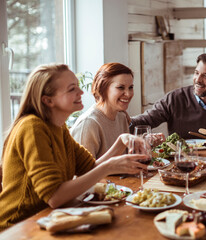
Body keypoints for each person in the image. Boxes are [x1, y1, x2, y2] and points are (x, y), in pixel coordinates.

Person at [0, 64, 148, 231]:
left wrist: (121, 142)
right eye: (72, 89)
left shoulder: (58, 126)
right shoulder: (32, 128)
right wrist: (109, 166)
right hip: (18, 227)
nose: (81, 92)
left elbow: (90, 169)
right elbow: (54, 197)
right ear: (48, 100)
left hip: (49, 219)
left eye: (77, 86)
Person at [130, 52, 206, 139]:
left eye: (205, 76)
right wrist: (120, 118)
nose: (198, 80)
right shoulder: (174, 98)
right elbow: (145, 120)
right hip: (181, 162)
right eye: (196, 73)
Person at [70, 63, 134, 159]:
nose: (128, 94)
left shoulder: (121, 117)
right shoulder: (88, 124)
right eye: (120, 87)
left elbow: (123, 160)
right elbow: (84, 173)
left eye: (131, 87)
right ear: (103, 88)